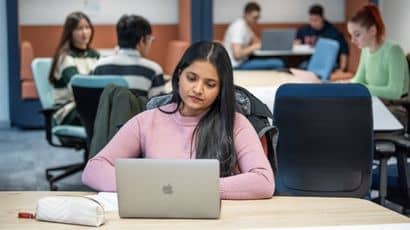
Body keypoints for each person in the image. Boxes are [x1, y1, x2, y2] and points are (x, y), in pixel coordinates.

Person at [82, 41, 275, 199]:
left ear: (221, 89)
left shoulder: (235, 123)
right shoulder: (147, 121)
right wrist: (147, 186)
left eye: (210, 84)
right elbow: (94, 169)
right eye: (191, 78)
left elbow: (264, 181)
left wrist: (191, 187)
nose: (198, 89)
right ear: (179, 74)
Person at [348, 4, 409, 126]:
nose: (352, 40)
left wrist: (362, 88)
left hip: (397, 108)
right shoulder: (365, 50)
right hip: (378, 102)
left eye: (357, 34)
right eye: (351, 35)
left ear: (372, 30)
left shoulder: (393, 50)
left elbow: (394, 92)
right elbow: (358, 80)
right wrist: (341, 86)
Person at [93, 15, 165, 98]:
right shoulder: (154, 70)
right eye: (150, 39)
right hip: (139, 111)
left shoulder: (99, 66)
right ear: (142, 40)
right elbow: (159, 106)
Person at [49, 12, 99, 125]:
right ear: (70, 32)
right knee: (103, 116)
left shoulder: (95, 55)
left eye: (87, 27)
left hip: (87, 106)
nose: (84, 32)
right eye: (79, 28)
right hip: (67, 111)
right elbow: (77, 90)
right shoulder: (65, 57)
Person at [223, 2, 284, 70]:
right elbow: (237, 54)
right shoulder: (238, 27)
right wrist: (255, 47)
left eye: (258, 18)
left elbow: (257, 41)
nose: (256, 21)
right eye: (255, 18)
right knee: (278, 63)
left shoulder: (246, 26)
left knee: (277, 59)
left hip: (242, 61)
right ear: (246, 14)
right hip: (236, 66)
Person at [295, 4, 349, 72]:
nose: (313, 23)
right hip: (310, 61)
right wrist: (297, 44)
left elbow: (344, 51)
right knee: (301, 67)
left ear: (322, 18)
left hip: (328, 63)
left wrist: (342, 69)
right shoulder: (304, 30)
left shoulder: (333, 32)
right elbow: (297, 43)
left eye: (316, 20)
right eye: (311, 20)